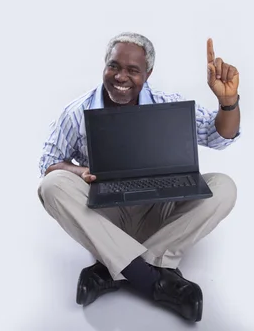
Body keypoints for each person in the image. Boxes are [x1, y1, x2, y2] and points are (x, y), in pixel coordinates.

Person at [37, 32, 241, 322]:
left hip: (159, 209)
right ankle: (152, 279)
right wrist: (78, 171)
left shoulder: (166, 103)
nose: (121, 76)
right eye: (114, 66)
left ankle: (111, 269)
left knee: (224, 187)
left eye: (133, 70)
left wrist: (228, 103)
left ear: (148, 73)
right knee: (52, 185)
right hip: (105, 214)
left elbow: (219, 135)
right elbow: (48, 163)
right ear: (104, 65)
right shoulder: (76, 111)